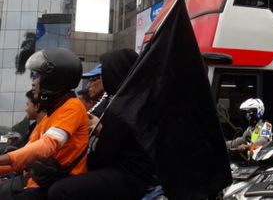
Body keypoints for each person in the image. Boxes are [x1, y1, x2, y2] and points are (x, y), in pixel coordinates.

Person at [48, 49, 156, 200]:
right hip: (133, 174)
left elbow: (104, 155)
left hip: (128, 177)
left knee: (59, 191)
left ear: (115, 72)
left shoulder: (122, 106)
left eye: (105, 73)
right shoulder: (135, 100)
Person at [0, 48, 88, 198]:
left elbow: (48, 144)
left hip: (59, 183)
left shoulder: (73, 106)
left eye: (37, 76)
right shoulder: (51, 113)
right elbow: (25, 155)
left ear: (54, 80)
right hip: (40, 180)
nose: (33, 83)